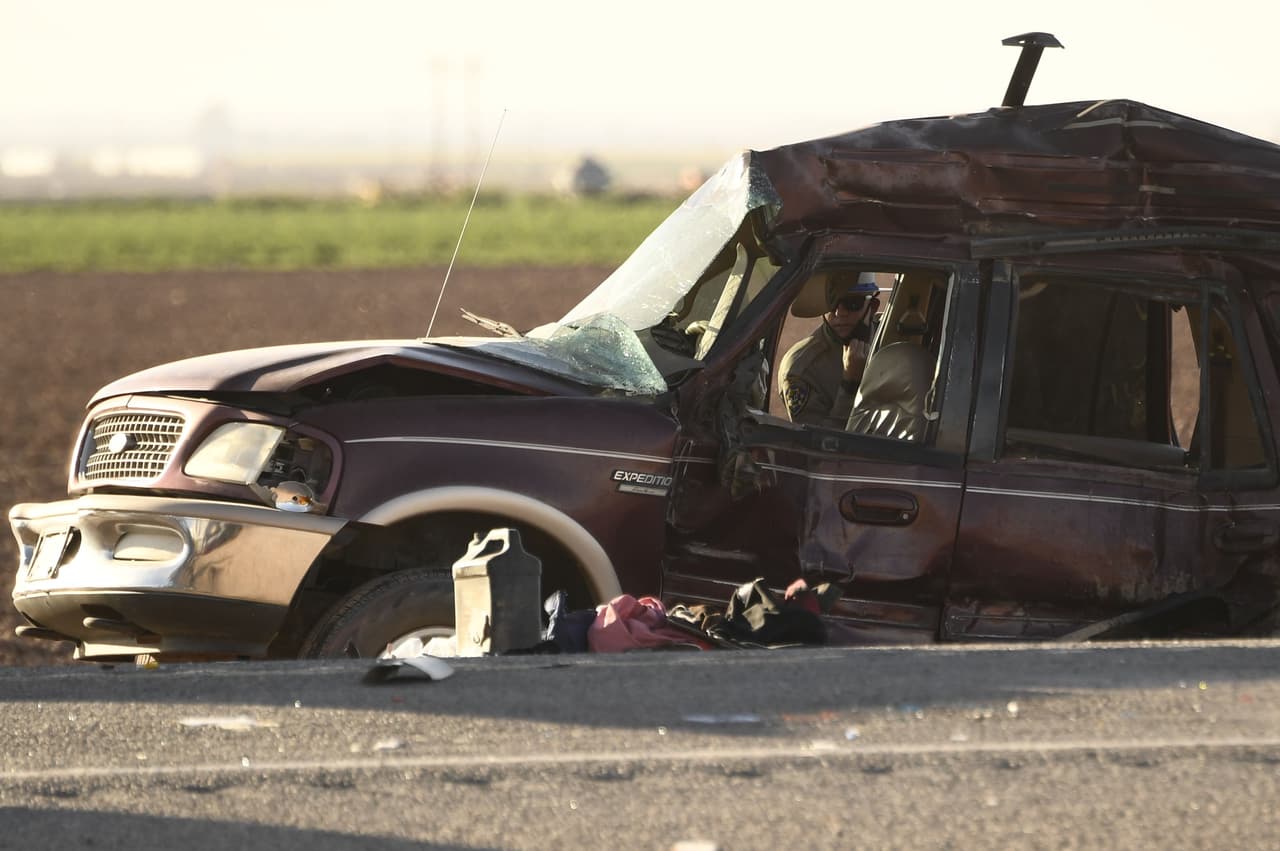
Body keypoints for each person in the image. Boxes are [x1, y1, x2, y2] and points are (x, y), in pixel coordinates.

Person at [778, 272, 880, 428]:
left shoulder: (894, 338)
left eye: (852, 303)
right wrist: (850, 385)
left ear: (872, 307)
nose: (840, 313)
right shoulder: (801, 369)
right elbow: (818, 444)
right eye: (831, 304)